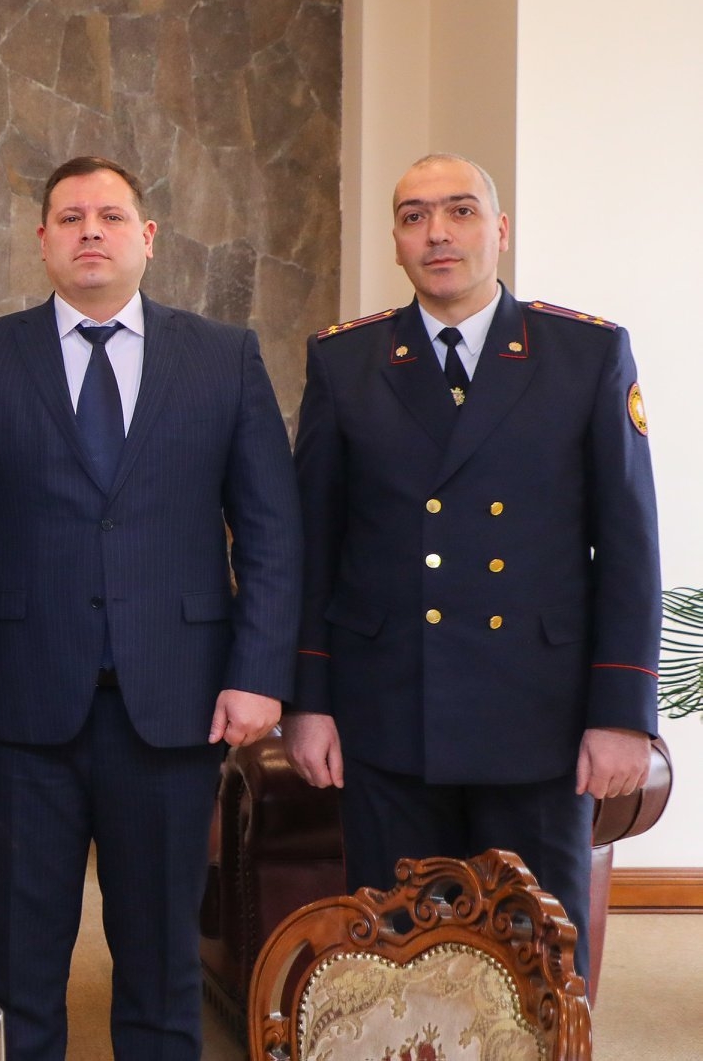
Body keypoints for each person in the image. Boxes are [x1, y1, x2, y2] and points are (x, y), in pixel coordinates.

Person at [0, 155, 302, 1061]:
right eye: (71, 217)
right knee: (19, 957)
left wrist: (258, 673)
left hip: (178, 704)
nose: (91, 231)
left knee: (162, 965)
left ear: (147, 238)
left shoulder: (224, 357)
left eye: (111, 217)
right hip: (19, 705)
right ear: (42, 240)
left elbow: (272, 533)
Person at [282, 153, 659, 979]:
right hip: (389, 712)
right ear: (396, 240)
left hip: (539, 717)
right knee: (395, 960)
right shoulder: (346, 360)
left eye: (459, 211)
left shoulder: (585, 353)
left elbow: (630, 543)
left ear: (500, 229)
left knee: (536, 962)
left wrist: (624, 711)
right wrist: (308, 700)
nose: (437, 233)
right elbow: (314, 545)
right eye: (414, 216)